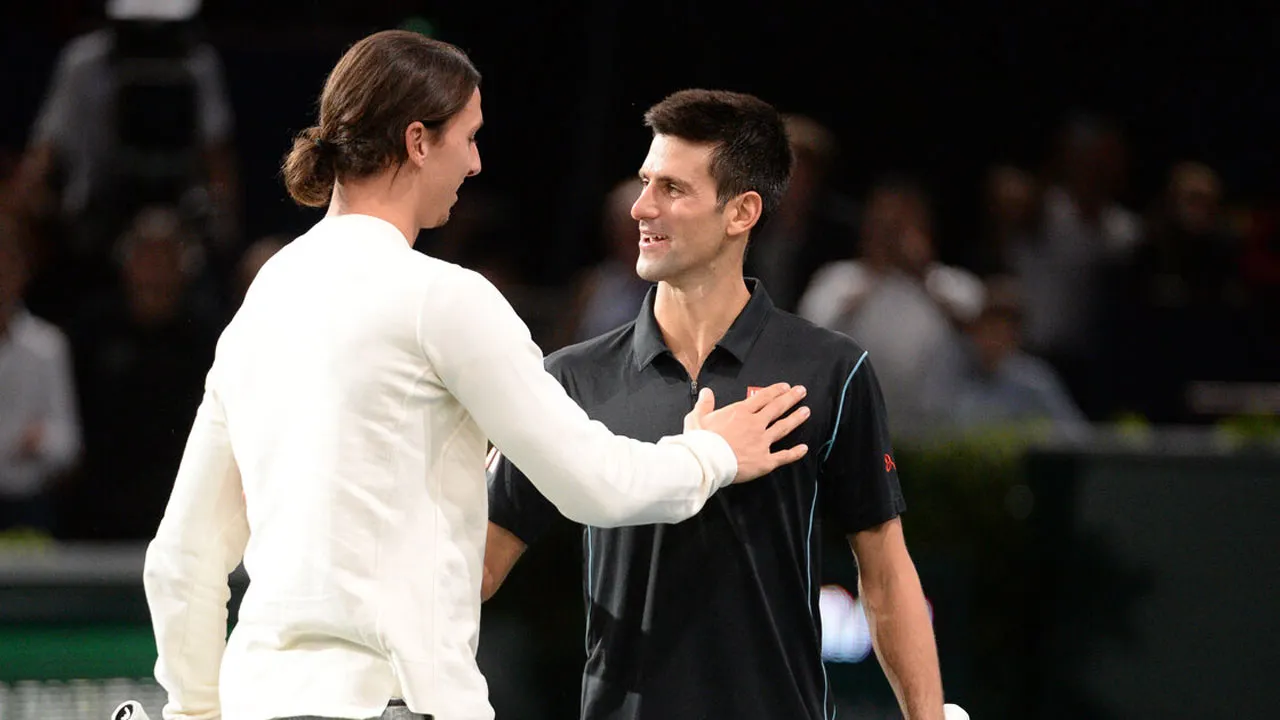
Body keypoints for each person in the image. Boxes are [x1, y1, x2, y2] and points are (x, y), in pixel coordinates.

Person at [141, 32, 810, 720]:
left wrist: (194, 710)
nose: (476, 161)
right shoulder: (442, 299)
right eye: (469, 136)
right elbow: (596, 484)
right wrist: (713, 453)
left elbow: (181, 563)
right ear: (419, 141)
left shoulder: (264, 301)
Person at [485, 89, 945, 720]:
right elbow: (474, 569)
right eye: (646, 182)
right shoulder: (571, 379)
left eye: (672, 189)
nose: (642, 208)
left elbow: (886, 573)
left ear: (742, 212)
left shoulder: (832, 370)